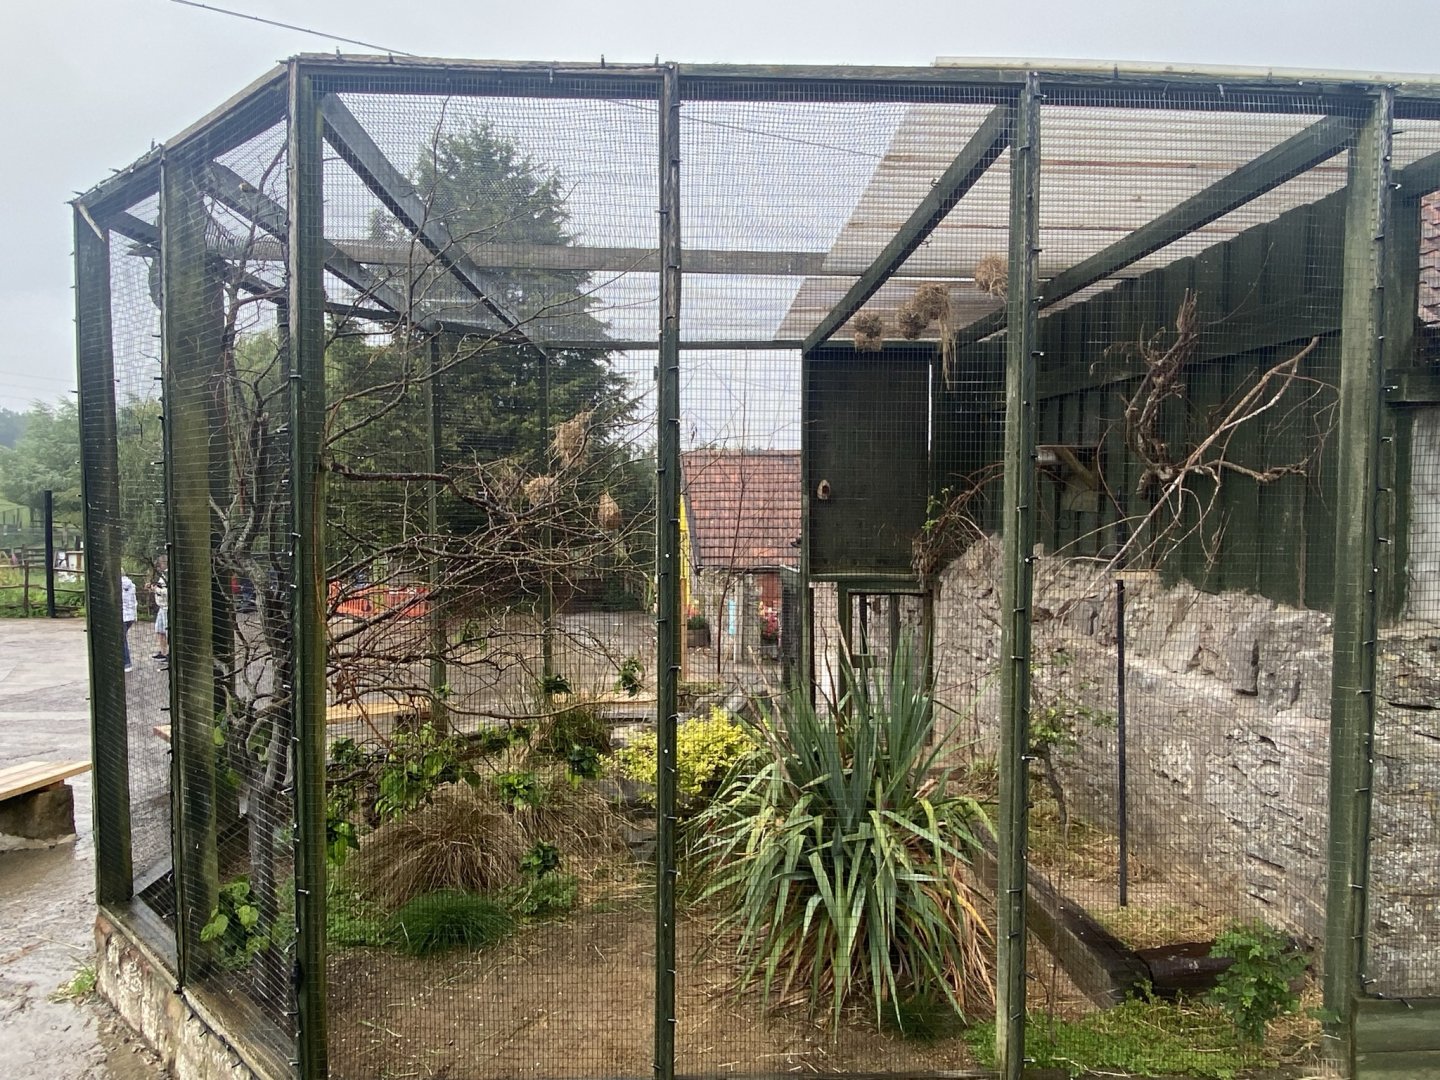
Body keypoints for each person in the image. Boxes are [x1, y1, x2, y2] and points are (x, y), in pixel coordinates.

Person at [149, 561, 169, 666]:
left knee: (167, 632)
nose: (158, 566)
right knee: (160, 631)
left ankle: (170, 654)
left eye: (159, 564)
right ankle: (163, 653)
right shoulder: (162, 576)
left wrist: (156, 589)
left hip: (167, 608)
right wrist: (153, 588)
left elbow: (167, 592)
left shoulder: (168, 574)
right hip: (161, 608)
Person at [120, 572, 137, 673]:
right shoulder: (132, 585)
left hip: (122, 616)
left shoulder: (117, 584)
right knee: (122, 638)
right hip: (130, 616)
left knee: (122, 640)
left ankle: (127, 663)